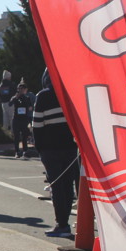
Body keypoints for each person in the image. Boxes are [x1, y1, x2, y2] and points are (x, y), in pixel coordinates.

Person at [32, 69, 79, 239]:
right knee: (68, 186)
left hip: (50, 148)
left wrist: (39, 148)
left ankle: (62, 223)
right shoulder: (70, 93)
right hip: (70, 147)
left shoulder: (43, 96)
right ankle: (66, 223)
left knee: (56, 186)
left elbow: (37, 124)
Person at [8, 81, 34, 158]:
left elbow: (30, 107)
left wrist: (28, 107)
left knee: (24, 136)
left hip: (24, 119)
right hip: (16, 119)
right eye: (19, 89)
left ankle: (25, 151)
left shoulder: (27, 97)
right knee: (16, 136)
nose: (21, 90)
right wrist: (15, 98)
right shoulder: (15, 97)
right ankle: (17, 151)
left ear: (25, 89)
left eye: (22, 89)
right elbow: (10, 104)